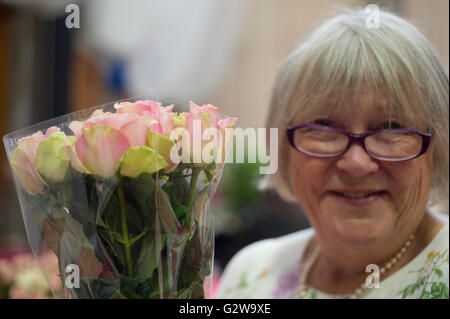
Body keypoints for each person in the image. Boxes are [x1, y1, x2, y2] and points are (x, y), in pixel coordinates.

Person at [216, 8, 449, 299]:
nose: (356, 163)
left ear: (438, 146)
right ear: (284, 147)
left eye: (391, 126)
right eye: (323, 125)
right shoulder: (251, 275)